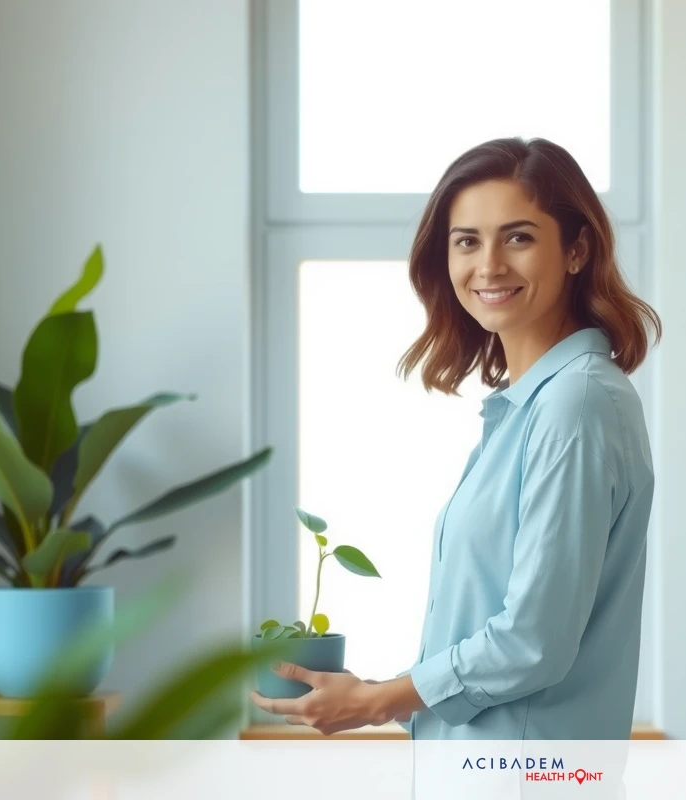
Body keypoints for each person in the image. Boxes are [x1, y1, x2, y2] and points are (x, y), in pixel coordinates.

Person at [251, 136, 661, 741]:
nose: (488, 265)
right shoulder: (534, 408)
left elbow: (531, 642)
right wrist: (381, 694)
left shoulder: (574, 405)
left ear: (576, 249)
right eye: (467, 241)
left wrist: (376, 702)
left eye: (518, 237)